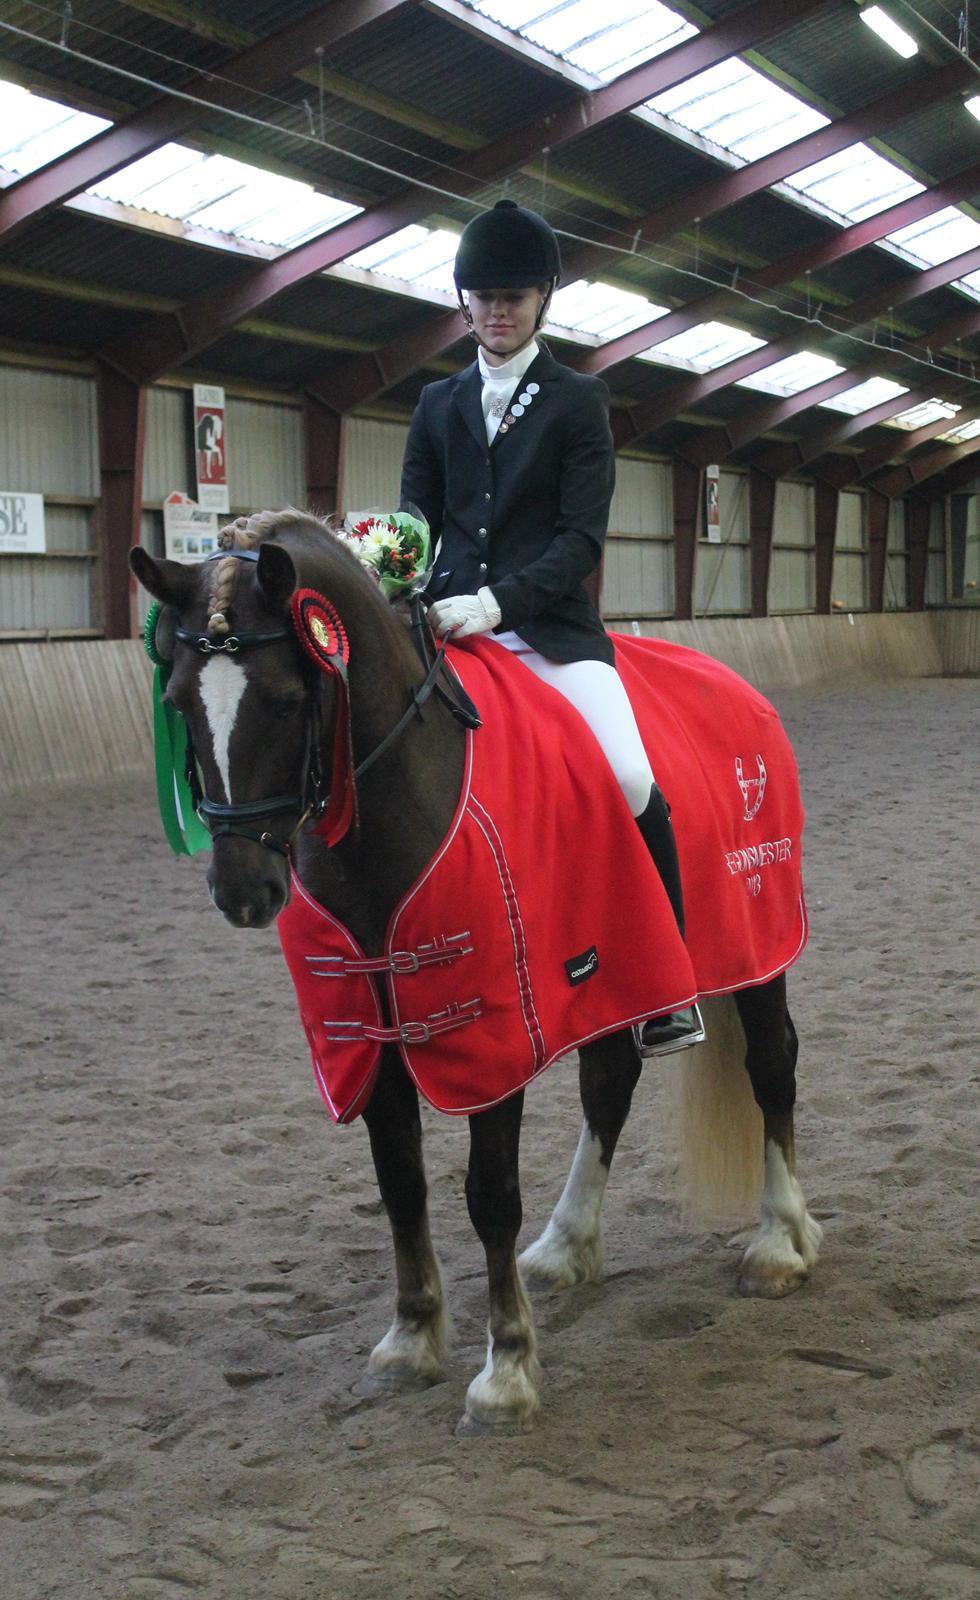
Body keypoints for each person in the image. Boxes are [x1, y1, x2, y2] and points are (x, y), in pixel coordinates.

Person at [400, 198, 702, 1056]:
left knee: (631, 774)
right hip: (450, 630)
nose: (500, 310)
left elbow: (580, 541)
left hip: (550, 634)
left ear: (542, 301)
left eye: (516, 296)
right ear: (465, 302)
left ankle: (667, 985)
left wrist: (499, 605)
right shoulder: (436, 404)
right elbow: (415, 521)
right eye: (485, 295)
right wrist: (397, 572)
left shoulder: (578, 401)